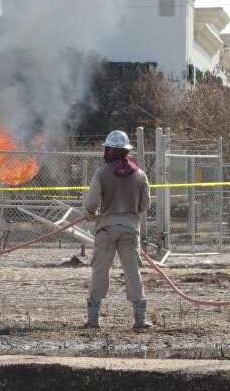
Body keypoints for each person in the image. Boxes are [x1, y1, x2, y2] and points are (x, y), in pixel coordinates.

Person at [83, 130, 151, 329]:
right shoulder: (139, 174)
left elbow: (92, 201)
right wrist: (131, 216)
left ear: (110, 150)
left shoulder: (102, 173)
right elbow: (145, 204)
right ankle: (140, 320)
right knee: (132, 272)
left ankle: (93, 319)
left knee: (100, 270)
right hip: (130, 229)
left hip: (106, 229)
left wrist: (91, 214)